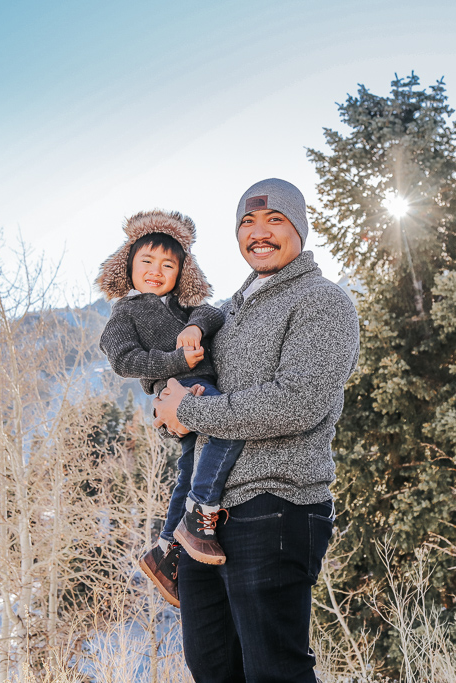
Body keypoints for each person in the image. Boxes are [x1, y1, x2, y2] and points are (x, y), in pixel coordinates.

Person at [153, 178, 360, 682]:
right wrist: (171, 410)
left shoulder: (323, 302)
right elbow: (191, 399)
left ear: (299, 230)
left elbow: (297, 403)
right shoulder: (227, 311)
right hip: (203, 521)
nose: (258, 233)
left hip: (276, 506)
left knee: (274, 671)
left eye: (274, 221)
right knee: (212, 668)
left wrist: (194, 412)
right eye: (247, 222)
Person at [96, 210, 246, 608]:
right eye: (146, 262)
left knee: (189, 466)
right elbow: (126, 361)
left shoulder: (183, 305)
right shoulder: (124, 314)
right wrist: (178, 362)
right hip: (180, 388)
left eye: (169, 265)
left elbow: (210, 312)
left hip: (199, 384)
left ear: (182, 271)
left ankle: (165, 550)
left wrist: (195, 327)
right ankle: (200, 512)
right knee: (231, 424)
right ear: (127, 265)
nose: (156, 271)